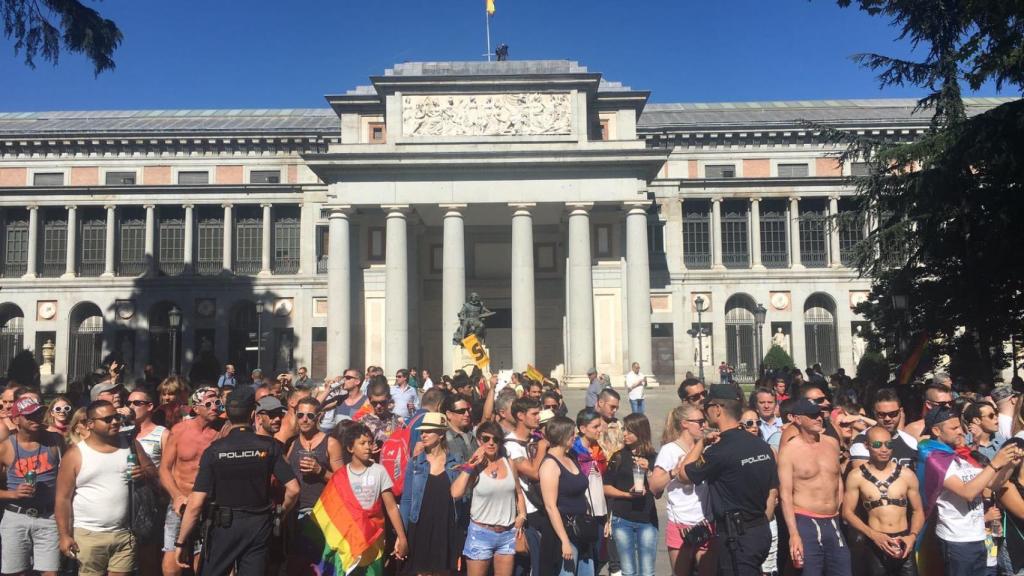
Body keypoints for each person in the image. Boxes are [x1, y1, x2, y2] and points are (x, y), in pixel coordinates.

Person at [173, 386, 299, 575]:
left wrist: (181, 541)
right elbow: (294, 489)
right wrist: (279, 516)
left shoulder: (214, 450)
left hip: (223, 526)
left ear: (228, 414)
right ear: (252, 414)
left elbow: (196, 502)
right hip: (258, 524)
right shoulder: (269, 446)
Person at [679, 384, 778, 575]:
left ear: (717, 409)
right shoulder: (761, 446)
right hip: (760, 529)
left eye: (707, 408)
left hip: (737, 536)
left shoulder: (719, 451)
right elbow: (772, 488)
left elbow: (684, 474)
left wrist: (701, 442)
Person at [55, 400, 158, 576]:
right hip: (88, 535)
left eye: (117, 417)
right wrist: (65, 535)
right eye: (108, 419)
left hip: (125, 533)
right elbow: (62, 498)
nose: (115, 422)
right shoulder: (75, 454)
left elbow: (154, 472)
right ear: (90, 424)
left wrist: (143, 473)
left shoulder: (130, 445)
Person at [920, 407, 1022, 576]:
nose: (961, 431)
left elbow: (992, 483)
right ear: (936, 430)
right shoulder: (934, 457)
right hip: (956, 539)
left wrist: (1011, 464)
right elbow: (967, 492)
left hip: (980, 535)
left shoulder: (963, 454)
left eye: (960, 426)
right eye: (953, 428)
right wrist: (995, 462)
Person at [777, 398, 849, 575]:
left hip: (833, 519)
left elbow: (837, 479)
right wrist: (794, 534)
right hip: (805, 521)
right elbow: (785, 495)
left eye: (818, 414)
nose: (818, 418)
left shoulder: (832, 443)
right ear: (797, 419)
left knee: (843, 570)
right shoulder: (789, 450)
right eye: (811, 415)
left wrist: (839, 507)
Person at [842, 426, 924, 576]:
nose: (884, 449)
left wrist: (912, 537)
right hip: (876, 542)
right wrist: (873, 535)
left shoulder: (906, 474)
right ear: (867, 445)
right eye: (878, 445)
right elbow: (847, 513)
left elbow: (918, 511)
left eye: (889, 444)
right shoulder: (856, 476)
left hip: (904, 541)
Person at [158, 386, 223, 576]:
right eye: (209, 403)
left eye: (217, 402)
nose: (214, 407)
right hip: (181, 504)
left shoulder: (221, 433)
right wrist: (176, 496)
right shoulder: (179, 430)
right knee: (171, 568)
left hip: (208, 505)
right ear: (196, 407)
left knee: (201, 564)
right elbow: (164, 469)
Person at [0, 396, 66, 576]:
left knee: (50, 572)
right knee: (15, 572)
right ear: (15, 420)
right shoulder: (5, 447)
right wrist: (12, 494)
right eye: (29, 416)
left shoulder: (55, 441)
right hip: (16, 516)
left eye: (38, 414)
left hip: (48, 515)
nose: (36, 419)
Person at [451, 421, 527, 576]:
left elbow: (518, 492)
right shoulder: (475, 467)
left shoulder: (509, 462)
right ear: (479, 441)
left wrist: (522, 515)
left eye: (496, 439)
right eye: (486, 439)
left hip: (507, 533)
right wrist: (470, 465)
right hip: (481, 533)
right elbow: (455, 493)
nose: (491, 443)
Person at [650, 404, 714, 576]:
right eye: (700, 422)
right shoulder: (669, 450)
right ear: (685, 424)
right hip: (680, 524)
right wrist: (675, 471)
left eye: (704, 421)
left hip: (706, 522)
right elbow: (654, 487)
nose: (704, 426)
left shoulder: (706, 448)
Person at [286, 396, 343, 575]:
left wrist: (320, 471)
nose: (304, 419)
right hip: (295, 514)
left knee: (320, 567)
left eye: (309, 416)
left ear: (318, 417)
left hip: (322, 515)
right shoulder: (292, 442)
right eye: (300, 414)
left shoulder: (331, 443)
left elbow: (343, 482)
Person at [400, 412, 461, 575]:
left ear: (441, 434)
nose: (423, 434)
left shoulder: (455, 462)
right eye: (422, 431)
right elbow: (406, 500)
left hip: (445, 526)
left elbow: (462, 498)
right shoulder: (415, 463)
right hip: (419, 525)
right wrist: (402, 535)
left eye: (429, 431)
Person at [540, 416, 596, 576]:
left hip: (581, 530)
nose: (575, 437)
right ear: (562, 436)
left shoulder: (570, 457)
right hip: (564, 532)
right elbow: (551, 506)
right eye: (572, 434)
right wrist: (564, 541)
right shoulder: (550, 464)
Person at [603, 413, 658, 576]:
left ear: (641, 432)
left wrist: (649, 470)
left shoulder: (654, 457)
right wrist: (627, 495)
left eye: (629, 431)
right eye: (624, 430)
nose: (625, 434)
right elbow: (606, 487)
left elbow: (659, 491)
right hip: (622, 519)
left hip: (647, 519)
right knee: (628, 571)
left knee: (647, 571)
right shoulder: (618, 457)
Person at [505, 397, 547, 576]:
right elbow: (533, 472)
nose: (539, 417)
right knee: (527, 562)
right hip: (526, 510)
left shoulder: (535, 439)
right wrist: (543, 448)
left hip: (541, 506)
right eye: (535, 414)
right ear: (521, 416)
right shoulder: (509, 445)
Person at [127, 387, 167, 576]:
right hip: (125, 502)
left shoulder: (162, 433)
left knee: (148, 558)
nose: (131, 407)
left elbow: (167, 471)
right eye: (129, 403)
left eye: (137, 403)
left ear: (150, 406)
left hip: (150, 502)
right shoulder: (122, 433)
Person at [571, 409, 610, 574]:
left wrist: (608, 516)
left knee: (596, 557)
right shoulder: (574, 451)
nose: (599, 430)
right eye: (595, 427)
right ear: (582, 428)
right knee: (583, 559)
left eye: (600, 426)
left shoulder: (598, 450)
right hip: (582, 514)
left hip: (599, 513)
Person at [851, 388, 919, 470]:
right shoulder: (862, 441)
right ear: (874, 413)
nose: (887, 418)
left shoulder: (910, 441)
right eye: (881, 414)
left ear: (901, 412)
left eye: (893, 414)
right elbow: (861, 478)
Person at [361, 379, 407, 449]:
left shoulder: (399, 421)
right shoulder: (363, 422)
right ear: (370, 400)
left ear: (389, 399)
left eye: (382, 402)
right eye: (374, 403)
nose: (378, 406)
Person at [446, 394, 478, 464]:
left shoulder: (472, 433)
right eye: (461, 411)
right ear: (449, 414)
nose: (467, 414)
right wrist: (469, 467)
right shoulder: (443, 440)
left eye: (467, 410)